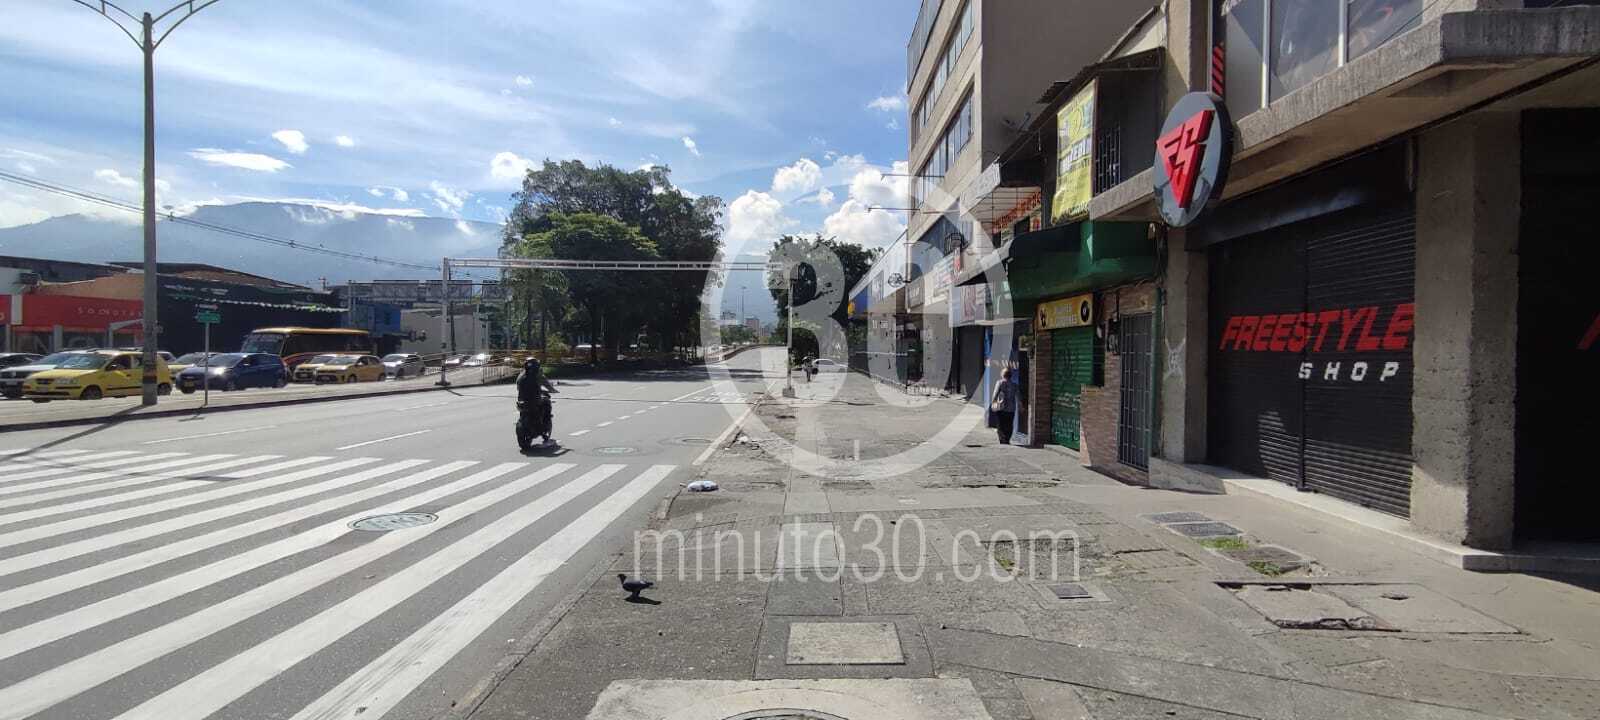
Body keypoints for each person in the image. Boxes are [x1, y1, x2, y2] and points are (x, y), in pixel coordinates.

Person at [517, 358, 557, 439]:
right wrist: (553, 390)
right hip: (535, 400)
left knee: (524, 410)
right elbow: (547, 384)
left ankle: (536, 424)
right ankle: (546, 424)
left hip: (522, 401)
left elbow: (518, 387)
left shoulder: (521, 375)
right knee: (547, 402)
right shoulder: (538, 374)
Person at [990, 368, 1018, 445]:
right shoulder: (1015, 385)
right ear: (1010, 376)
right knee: (1009, 424)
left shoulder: (1000, 383)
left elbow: (995, 394)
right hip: (1011, 408)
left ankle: (1002, 440)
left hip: (1001, 407)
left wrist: (993, 402)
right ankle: (1007, 439)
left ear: (1003, 375)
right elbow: (1018, 396)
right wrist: (1021, 405)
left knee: (1000, 424)